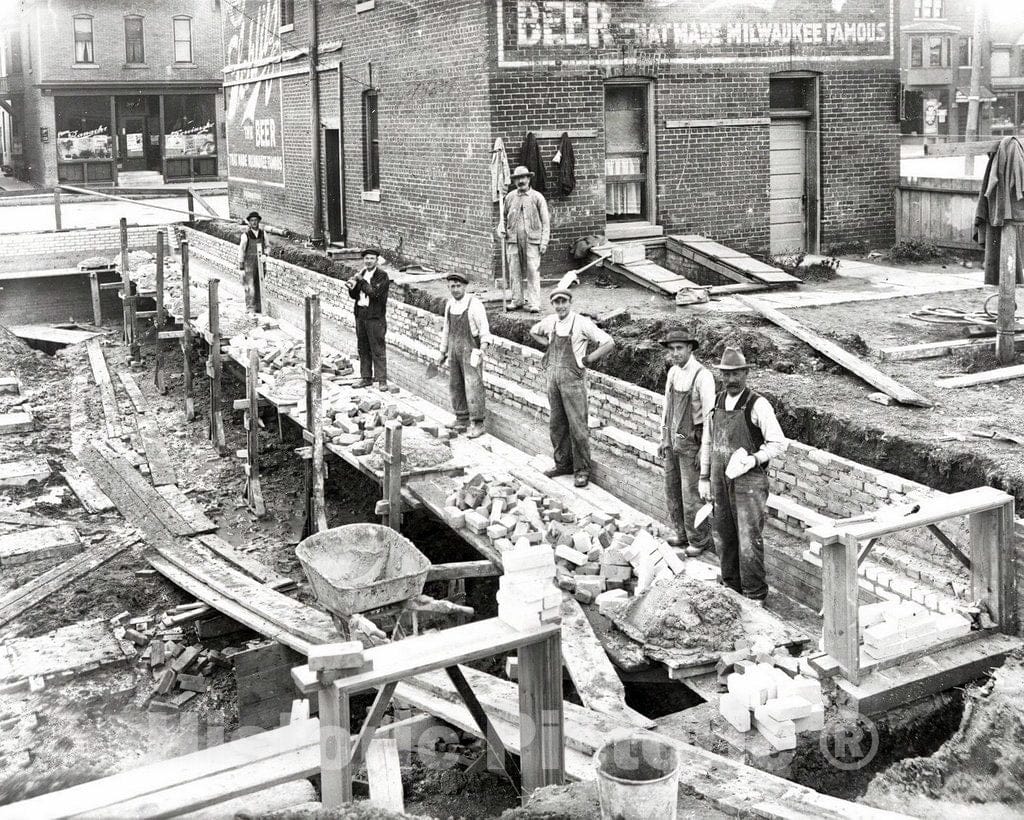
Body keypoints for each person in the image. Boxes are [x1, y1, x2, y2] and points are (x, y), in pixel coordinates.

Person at [698, 347, 786, 603]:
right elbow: (707, 440)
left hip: (749, 482)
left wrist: (754, 458)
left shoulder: (757, 404)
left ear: (746, 373)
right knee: (723, 534)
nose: (731, 380)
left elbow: (779, 443)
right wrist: (704, 477)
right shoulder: (716, 402)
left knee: (748, 539)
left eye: (736, 374)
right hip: (719, 479)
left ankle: (754, 594)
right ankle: (731, 587)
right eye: (726, 375)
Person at [529, 288, 614, 488]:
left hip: (573, 381)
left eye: (563, 301)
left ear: (570, 302)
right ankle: (563, 465)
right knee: (557, 425)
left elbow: (608, 342)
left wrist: (589, 358)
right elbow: (534, 331)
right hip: (553, 381)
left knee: (578, 427)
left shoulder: (581, 322)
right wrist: (548, 345)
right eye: (556, 302)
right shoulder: (550, 321)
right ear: (553, 304)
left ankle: (582, 470)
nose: (560, 306)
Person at [658, 328, 715, 557]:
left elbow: (711, 419)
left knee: (691, 494)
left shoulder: (703, 376)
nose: (675, 353)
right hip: (673, 439)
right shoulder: (672, 373)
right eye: (672, 349)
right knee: (672, 489)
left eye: (679, 348)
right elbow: (666, 408)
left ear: (690, 348)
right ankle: (681, 533)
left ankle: (698, 540)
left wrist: (705, 449)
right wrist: (663, 436)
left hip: (692, 442)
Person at [437, 272, 490, 438]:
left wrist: (482, 349)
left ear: (465, 286)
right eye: (452, 286)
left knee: (473, 385)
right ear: (449, 288)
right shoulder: (450, 305)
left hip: (470, 351)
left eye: (458, 286)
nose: (455, 289)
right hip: (454, 350)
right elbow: (446, 329)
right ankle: (461, 419)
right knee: (455, 384)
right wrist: (442, 351)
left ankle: (478, 423)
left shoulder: (474, 305)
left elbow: (484, 330)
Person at [498, 165, 550, 313]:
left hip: (532, 240)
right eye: (517, 179)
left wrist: (544, 242)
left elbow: (545, 222)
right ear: (514, 181)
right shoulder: (509, 198)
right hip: (513, 240)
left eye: (523, 177)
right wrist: (501, 228)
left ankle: (534, 303)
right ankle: (517, 300)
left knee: (533, 271)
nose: (521, 181)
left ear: (528, 179)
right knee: (514, 271)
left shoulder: (537, 197)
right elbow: (502, 219)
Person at [345, 248, 390, 389]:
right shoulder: (362, 273)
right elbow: (354, 296)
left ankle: (382, 380)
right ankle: (366, 378)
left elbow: (374, 294)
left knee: (377, 348)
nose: (368, 261)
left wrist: (361, 281)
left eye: (371, 258)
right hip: (361, 315)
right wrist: (351, 286)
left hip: (375, 317)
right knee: (363, 348)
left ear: (376, 260)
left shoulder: (382, 276)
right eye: (366, 258)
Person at [237, 211, 265, 313]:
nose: (254, 222)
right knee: (250, 287)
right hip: (249, 264)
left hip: (260, 264)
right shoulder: (246, 236)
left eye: (256, 220)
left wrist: (266, 254)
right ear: (249, 222)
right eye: (252, 220)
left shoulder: (263, 234)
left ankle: (259, 308)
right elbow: (241, 251)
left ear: (258, 222)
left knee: (259, 285)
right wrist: (241, 266)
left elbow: (267, 246)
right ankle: (250, 308)